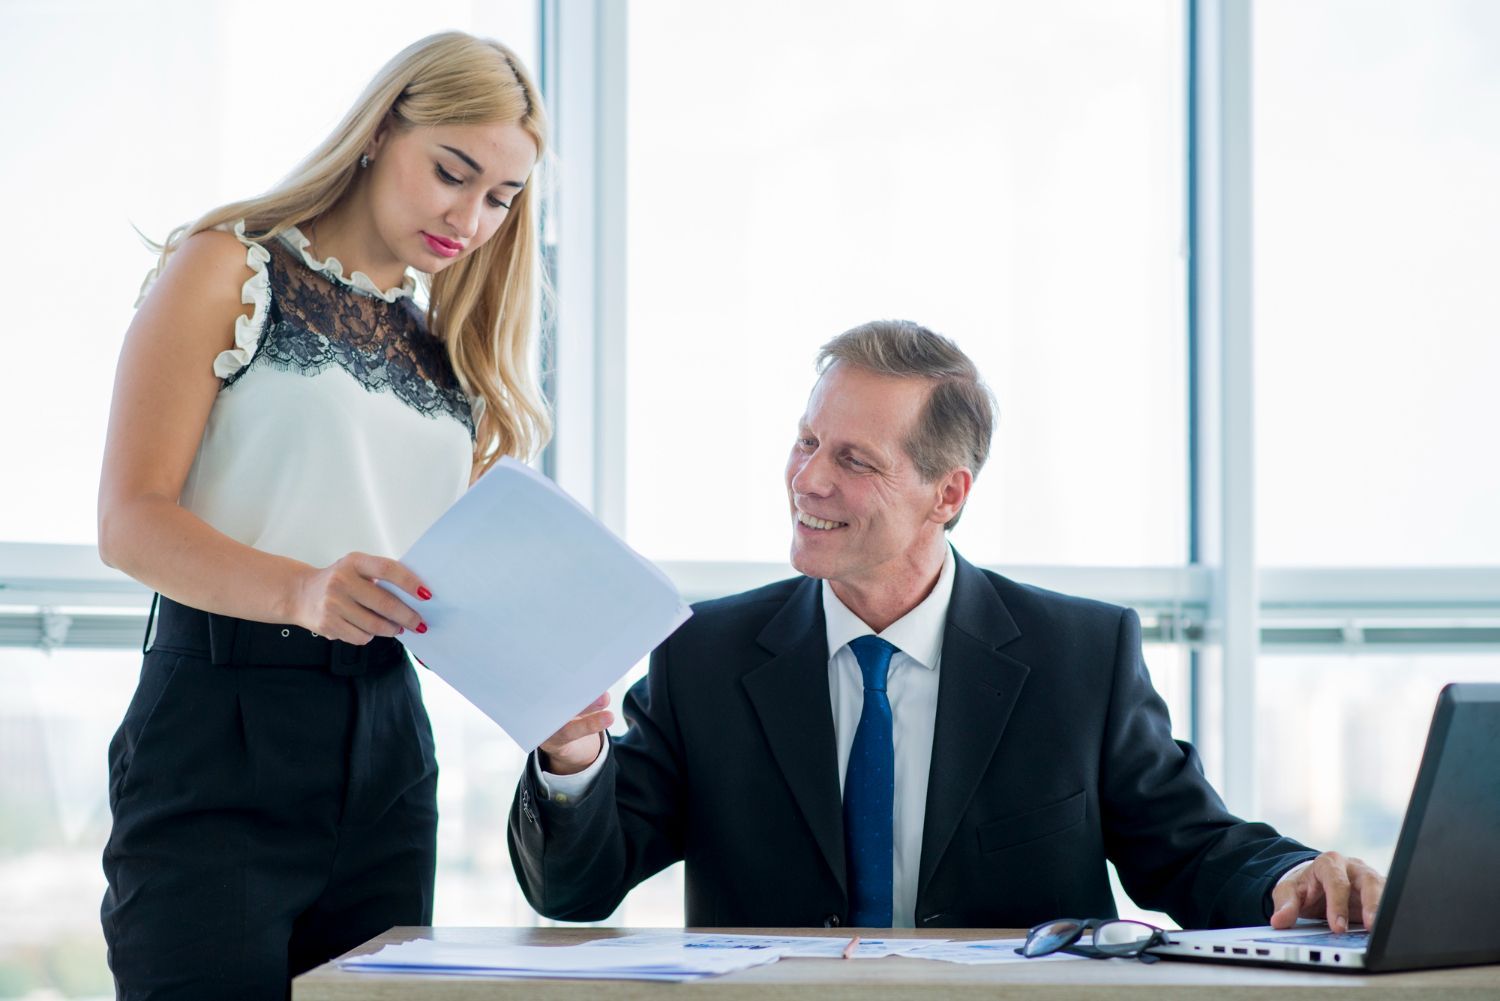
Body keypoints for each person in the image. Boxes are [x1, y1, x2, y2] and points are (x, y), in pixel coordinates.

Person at [510, 319, 1386, 933]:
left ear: (949, 492)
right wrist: (572, 755)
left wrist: (1294, 878)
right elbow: (577, 890)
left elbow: (1188, 850)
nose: (808, 479)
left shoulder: (1078, 657)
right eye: (806, 440)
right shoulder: (704, 651)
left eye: (853, 459)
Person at [96, 31, 547, 999]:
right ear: (383, 131)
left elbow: (432, 586)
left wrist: (555, 674)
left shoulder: (450, 356)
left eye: (501, 199)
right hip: (220, 718)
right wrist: (304, 588)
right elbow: (130, 521)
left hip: (388, 739)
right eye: (453, 173)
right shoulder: (226, 269)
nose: (470, 218)